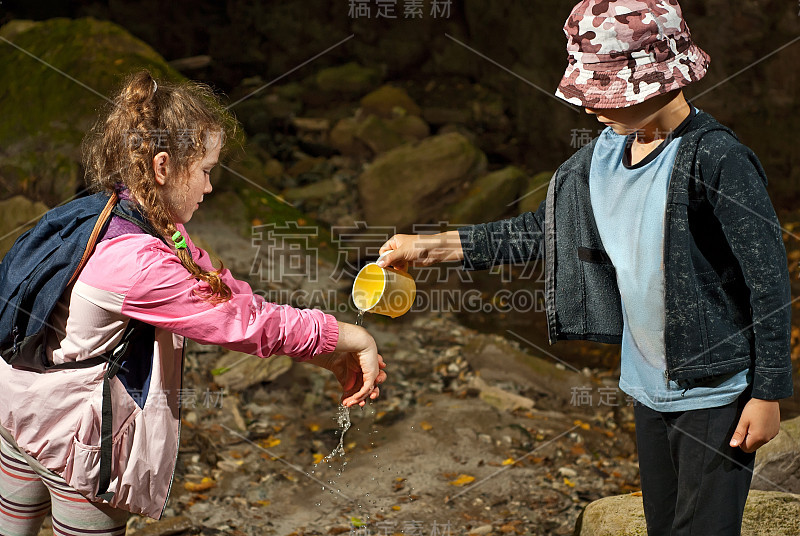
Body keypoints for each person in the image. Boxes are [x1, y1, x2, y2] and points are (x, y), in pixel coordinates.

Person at [378, 1, 792, 535]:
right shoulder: (602, 155)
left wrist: (768, 392)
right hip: (647, 384)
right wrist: (434, 248)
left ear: (659, 80)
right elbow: (543, 230)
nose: (592, 108)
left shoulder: (717, 160)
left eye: (606, 92)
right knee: (664, 524)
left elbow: (769, 279)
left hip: (715, 390)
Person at [0, 71, 386, 535]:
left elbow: (220, 289)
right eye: (205, 171)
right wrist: (348, 334)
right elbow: (239, 321)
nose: (209, 188)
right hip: (75, 443)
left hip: (17, 409)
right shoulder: (137, 261)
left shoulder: (111, 210)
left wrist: (322, 353)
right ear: (163, 167)